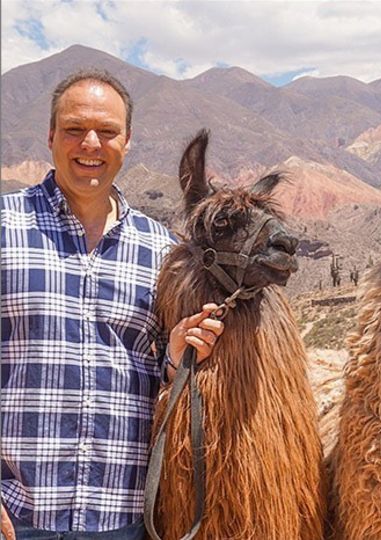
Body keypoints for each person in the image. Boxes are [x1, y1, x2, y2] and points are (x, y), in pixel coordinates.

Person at [1, 70, 224, 540]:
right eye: (74, 129)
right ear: (50, 136)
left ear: (128, 141)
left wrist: (177, 357)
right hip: (18, 518)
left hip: (122, 521)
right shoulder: (5, 228)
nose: (90, 144)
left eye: (107, 131)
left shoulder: (161, 249)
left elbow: (161, 372)